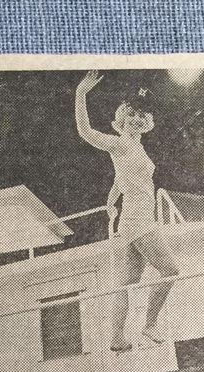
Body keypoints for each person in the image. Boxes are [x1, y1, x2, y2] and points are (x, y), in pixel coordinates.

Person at [75, 71, 168, 351]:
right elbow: (85, 132)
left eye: (143, 115)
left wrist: (110, 199)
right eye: (132, 114)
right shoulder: (120, 143)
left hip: (130, 219)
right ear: (122, 118)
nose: (137, 119)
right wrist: (81, 94)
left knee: (127, 281)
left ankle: (116, 339)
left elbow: (121, 179)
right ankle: (149, 325)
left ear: (147, 121)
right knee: (171, 270)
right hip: (139, 220)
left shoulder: (135, 148)